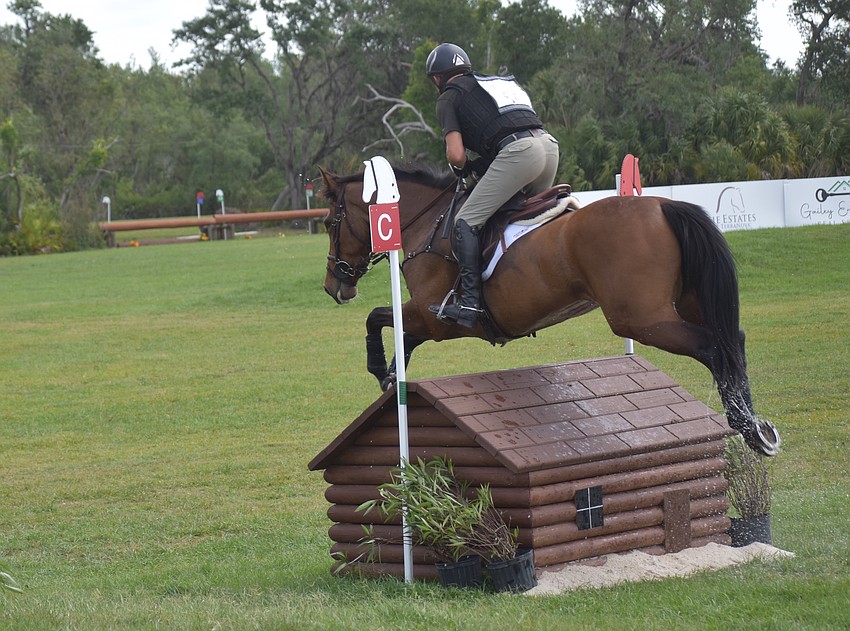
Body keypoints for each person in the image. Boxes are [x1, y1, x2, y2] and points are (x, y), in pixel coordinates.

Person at [425, 42, 560, 328]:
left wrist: (460, 168)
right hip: (548, 147)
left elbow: (456, 154)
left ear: (437, 78)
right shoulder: (492, 84)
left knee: (465, 222)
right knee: (519, 220)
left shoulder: (448, 96)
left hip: (520, 154)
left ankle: (471, 305)